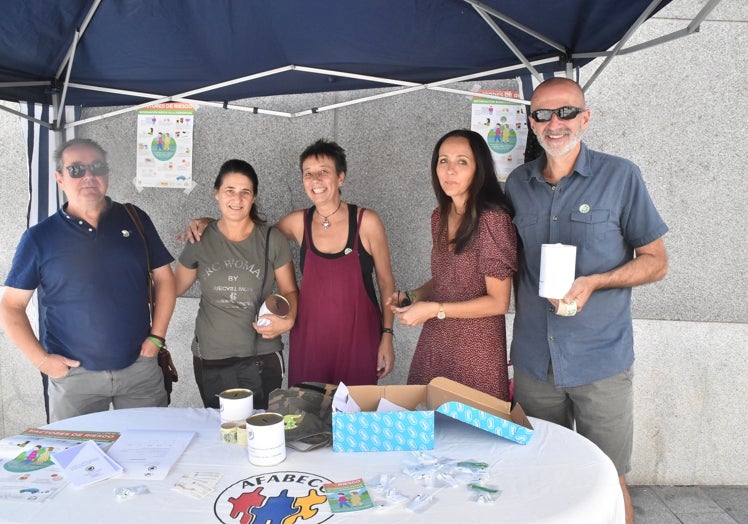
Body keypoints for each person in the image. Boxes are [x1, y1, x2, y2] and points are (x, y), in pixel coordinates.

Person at [505, 77, 669, 524]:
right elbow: (503, 263)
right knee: (543, 476)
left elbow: (655, 261)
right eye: (541, 114)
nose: (554, 123)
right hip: (535, 364)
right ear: (531, 122)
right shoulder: (517, 185)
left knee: (609, 480)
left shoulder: (621, 176)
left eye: (565, 112)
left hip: (601, 363)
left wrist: (597, 281)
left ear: (585, 118)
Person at [181, 139, 396, 387]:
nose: (315, 180)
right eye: (308, 174)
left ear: (340, 178)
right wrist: (211, 222)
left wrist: (387, 336)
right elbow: (252, 236)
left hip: (359, 337)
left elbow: (386, 282)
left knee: (355, 417)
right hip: (310, 339)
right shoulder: (297, 222)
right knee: (306, 416)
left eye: (323, 172)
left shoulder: (366, 222)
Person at [0, 138, 176, 422]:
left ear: (107, 173)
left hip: (139, 370)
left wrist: (156, 339)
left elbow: (165, 279)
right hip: (74, 379)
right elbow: (10, 306)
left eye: (97, 167)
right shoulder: (39, 238)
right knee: (75, 458)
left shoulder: (135, 219)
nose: (89, 176)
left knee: (149, 454)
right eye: (76, 169)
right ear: (59, 178)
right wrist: (43, 362)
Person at [389, 129, 518, 401]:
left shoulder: (493, 219)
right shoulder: (439, 216)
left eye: (462, 162)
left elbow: (498, 302)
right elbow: (446, 278)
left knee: (472, 432)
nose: (450, 170)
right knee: (428, 425)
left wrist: (435, 309)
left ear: (478, 169)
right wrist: (412, 296)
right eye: (443, 161)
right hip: (436, 338)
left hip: (476, 347)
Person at [175, 159, 298, 410]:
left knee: (262, 427)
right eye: (229, 190)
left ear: (253, 197)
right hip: (210, 355)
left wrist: (290, 319)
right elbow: (173, 287)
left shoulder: (271, 239)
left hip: (261, 356)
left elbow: (289, 290)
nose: (237, 199)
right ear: (217, 193)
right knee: (221, 432)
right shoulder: (199, 238)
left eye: (245, 192)